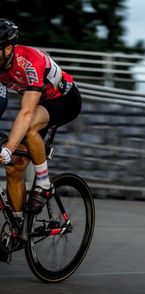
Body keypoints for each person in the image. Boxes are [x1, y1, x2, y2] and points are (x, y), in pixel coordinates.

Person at [0, 19, 82, 217]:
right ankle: (16, 227)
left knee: (28, 128)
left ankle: (44, 183)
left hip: (65, 100)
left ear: (8, 49)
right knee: (14, 168)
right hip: (39, 105)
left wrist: (8, 149)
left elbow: (27, 112)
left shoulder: (29, 61)